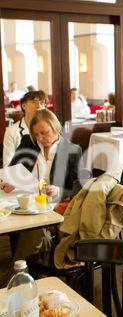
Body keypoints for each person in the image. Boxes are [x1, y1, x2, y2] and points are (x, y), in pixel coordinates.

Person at [1, 109, 85, 259]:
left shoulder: (72, 150)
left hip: (53, 205)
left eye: (44, 133)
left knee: (35, 228)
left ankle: (17, 272)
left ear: (55, 127)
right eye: (36, 134)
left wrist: (59, 190)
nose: (40, 138)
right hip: (25, 201)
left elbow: (80, 184)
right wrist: (10, 181)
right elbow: (13, 169)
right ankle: (33, 265)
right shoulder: (28, 142)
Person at [3, 90, 46, 166]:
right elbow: (7, 165)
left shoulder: (49, 129)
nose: (39, 106)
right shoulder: (12, 131)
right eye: (34, 102)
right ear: (23, 106)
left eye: (42, 103)